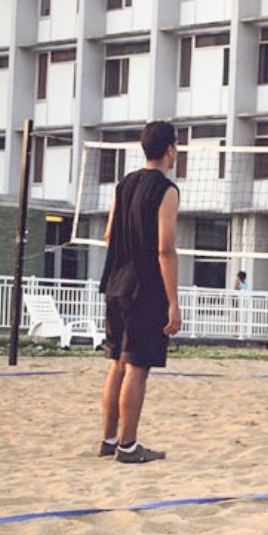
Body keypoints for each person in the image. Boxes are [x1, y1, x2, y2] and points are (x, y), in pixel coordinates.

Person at [98, 121, 181, 463]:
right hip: (144, 288)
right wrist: (173, 302)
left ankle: (109, 439)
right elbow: (165, 249)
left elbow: (107, 235)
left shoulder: (124, 184)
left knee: (117, 364)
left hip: (116, 282)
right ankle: (128, 447)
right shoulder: (166, 190)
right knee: (137, 368)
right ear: (170, 150)